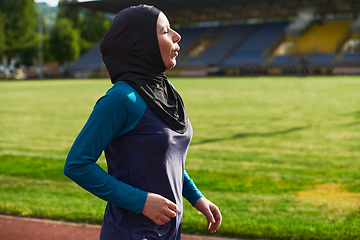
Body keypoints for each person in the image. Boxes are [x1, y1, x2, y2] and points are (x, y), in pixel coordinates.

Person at [64, 4, 221, 240]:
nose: (177, 36)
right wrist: (140, 201)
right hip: (131, 233)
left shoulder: (168, 92)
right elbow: (77, 164)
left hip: (169, 231)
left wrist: (196, 197)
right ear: (141, 43)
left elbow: (165, 161)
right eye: (165, 31)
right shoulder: (121, 98)